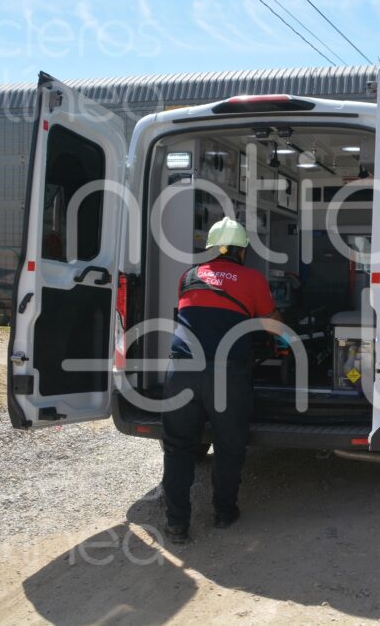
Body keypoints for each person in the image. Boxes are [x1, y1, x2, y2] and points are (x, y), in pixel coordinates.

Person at [161, 217, 281, 544]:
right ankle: (224, 513)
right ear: (241, 251)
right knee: (229, 446)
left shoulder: (187, 276)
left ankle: (176, 524)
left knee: (177, 448)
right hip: (226, 375)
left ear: (211, 248)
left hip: (181, 371)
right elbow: (272, 327)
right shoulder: (252, 279)